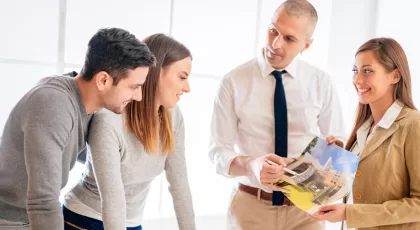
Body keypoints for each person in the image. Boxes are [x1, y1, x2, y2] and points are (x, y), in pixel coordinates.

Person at [208, 0, 346, 229]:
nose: (275, 43)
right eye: (273, 30)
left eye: (289, 38)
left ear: (307, 44)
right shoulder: (233, 82)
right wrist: (252, 165)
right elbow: (217, 152)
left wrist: (323, 158)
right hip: (250, 209)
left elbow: (339, 146)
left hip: (306, 212)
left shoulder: (321, 83)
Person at [0, 28, 155, 230]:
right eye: (133, 87)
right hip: (11, 219)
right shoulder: (53, 104)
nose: (139, 97)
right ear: (103, 81)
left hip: (29, 216)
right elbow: (43, 200)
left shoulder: (88, 105)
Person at [62, 33, 196, 230]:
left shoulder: (173, 117)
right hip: (84, 219)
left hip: (131, 223)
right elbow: (112, 199)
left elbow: (180, 186)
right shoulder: (109, 119)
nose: (187, 88)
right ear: (156, 72)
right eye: (182, 77)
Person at [311, 38, 420, 230]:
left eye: (367, 71)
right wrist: (339, 159)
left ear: (395, 76)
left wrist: (349, 213)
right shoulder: (363, 129)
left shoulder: (413, 125)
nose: (357, 80)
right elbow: (360, 187)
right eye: (355, 70)